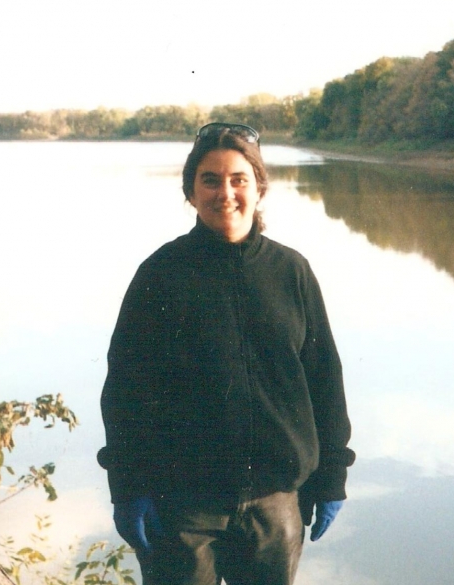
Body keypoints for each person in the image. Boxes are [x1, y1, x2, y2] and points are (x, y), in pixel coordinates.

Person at [98, 123, 355, 585]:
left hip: (275, 507)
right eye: (210, 180)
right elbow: (125, 391)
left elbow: (324, 380)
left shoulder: (291, 271)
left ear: (259, 188)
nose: (226, 193)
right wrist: (128, 488)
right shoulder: (160, 274)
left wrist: (332, 474)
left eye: (239, 179)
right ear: (191, 193)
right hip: (181, 510)